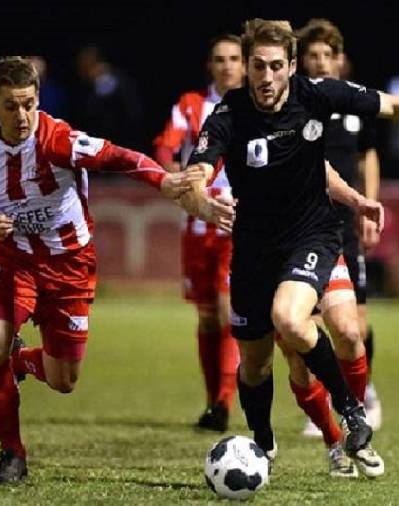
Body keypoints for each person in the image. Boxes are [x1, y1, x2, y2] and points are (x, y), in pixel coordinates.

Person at [185, 18, 399, 474]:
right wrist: (201, 199)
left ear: (291, 66)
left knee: (294, 319)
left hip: (312, 236)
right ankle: (262, 443)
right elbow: (197, 172)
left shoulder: (317, 94)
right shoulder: (229, 113)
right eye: (258, 67)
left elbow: (396, 105)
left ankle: (352, 411)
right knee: (254, 365)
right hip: (253, 250)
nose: (266, 78)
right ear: (247, 66)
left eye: (275, 66)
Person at [0, 56, 223, 484]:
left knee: (64, 380)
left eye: (28, 104)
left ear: (38, 100)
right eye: (10, 106)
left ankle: (23, 362)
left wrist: (165, 182)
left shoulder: (59, 139)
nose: (21, 115)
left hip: (69, 268)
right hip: (15, 262)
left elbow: (119, 157)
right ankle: (12, 453)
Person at [270, 18, 384, 478]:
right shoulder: (289, 105)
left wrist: (365, 203)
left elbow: (367, 155)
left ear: (338, 60)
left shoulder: (352, 105)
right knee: (297, 342)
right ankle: (336, 433)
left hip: (339, 225)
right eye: (310, 55)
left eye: (325, 55)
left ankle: (356, 404)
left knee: (353, 325)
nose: (319, 62)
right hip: (288, 234)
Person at [152, 34, 245, 432]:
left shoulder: (254, 107)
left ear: (244, 64)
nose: (227, 65)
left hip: (237, 224)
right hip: (196, 226)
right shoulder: (190, 106)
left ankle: (224, 402)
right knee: (208, 318)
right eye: (219, 59)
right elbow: (164, 150)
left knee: (227, 312)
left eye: (234, 58)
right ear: (210, 65)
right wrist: (180, 183)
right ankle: (213, 402)